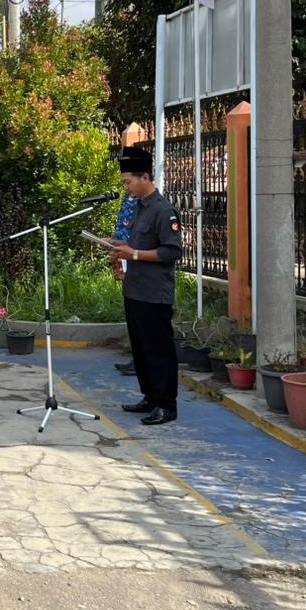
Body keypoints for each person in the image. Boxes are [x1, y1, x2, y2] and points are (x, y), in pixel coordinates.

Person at [109, 148, 184, 426]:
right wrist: (118, 246)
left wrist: (135, 255)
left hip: (155, 294)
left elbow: (172, 252)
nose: (126, 187)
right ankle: (150, 397)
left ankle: (166, 405)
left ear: (145, 177)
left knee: (158, 351)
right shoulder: (138, 208)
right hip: (135, 290)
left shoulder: (164, 211)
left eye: (128, 181)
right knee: (140, 349)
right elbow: (135, 244)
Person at [112, 148, 142, 378]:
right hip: (122, 252)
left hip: (135, 255)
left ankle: (140, 359)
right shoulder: (128, 197)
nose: (125, 186)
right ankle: (136, 357)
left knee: (138, 311)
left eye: (127, 181)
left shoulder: (144, 202)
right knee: (130, 309)